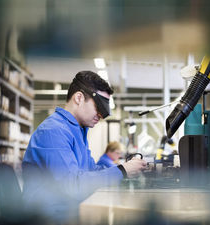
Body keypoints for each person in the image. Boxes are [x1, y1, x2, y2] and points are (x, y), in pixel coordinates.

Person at [22, 71, 147, 204]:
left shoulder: (78, 131)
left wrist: (126, 168)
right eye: (98, 107)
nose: (101, 115)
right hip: (44, 219)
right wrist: (121, 171)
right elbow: (73, 185)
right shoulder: (54, 131)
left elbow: (91, 171)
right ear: (79, 98)